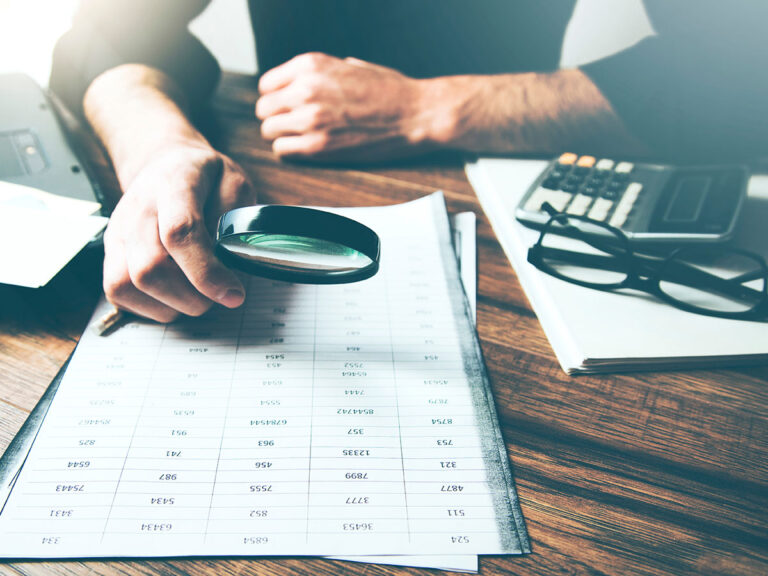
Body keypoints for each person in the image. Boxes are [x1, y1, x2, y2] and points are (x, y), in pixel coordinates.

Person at [50, 0, 768, 323]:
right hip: (277, 179)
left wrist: (432, 106)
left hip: (509, 208)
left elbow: (741, 67)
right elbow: (106, 32)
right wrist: (159, 149)